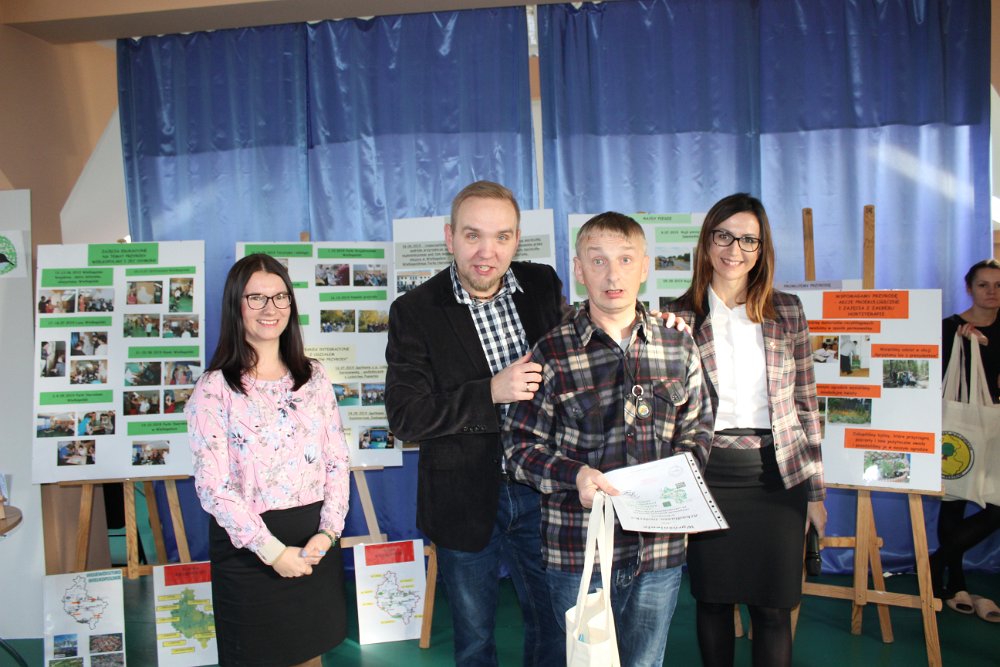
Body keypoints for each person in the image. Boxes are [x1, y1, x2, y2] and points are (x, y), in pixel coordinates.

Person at [504, 212, 714, 667]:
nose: (613, 275)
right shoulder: (551, 352)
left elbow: (697, 428)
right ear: (579, 270)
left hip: (659, 551)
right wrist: (575, 474)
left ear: (645, 267)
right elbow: (519, 449)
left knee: (645, 662)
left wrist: (680, 483)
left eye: (625, 260)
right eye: (598, 261)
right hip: (579, 549)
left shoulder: (677, 345)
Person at [385, 181, 566, 666]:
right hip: (462, 498)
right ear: (450, 237)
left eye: (502, 236)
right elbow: (406, 417)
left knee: (554, 625)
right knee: (474, 640)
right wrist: (490, 391)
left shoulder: (542, 285)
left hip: (541, 490)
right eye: (473, 235)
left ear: (517, 239)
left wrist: (652, 324)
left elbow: (585, 344)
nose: (487, 252)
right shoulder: (414, 312)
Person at [668, 193, 826, 667]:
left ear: (761, 249)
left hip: (778, 475)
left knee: (773, 608)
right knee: (713, 601)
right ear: (707, 242)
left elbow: (806, 404)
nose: (734, 250)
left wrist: (815, 492)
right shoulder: (676, 317)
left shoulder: (788, 310)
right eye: (724, 236)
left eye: (748, 240)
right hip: (709, 473)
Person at [186, 253, 350, 667]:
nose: (270, 308)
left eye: (280, 297)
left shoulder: (314, 377)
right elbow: (213, 486)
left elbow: (336, 461)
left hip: (313, 542)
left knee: (310, 656)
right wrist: (273, 552)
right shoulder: (214, 389)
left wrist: (328, 532)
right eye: (256, 298)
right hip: (251, 550)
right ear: (236, 305)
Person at [932, 258, 1000, 619]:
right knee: (954, 500)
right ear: (969, 288)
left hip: (996, 427)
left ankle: (934, 563)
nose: (992, 292)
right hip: (959, 428)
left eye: (998, 285)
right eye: (983, 285)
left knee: (995, 506)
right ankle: (955, 582)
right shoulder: (950, 328)